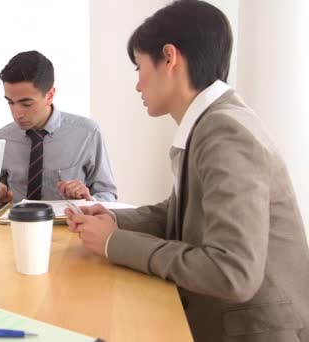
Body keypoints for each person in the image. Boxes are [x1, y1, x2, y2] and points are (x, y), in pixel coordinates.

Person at [65, 1, 309, 341]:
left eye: (139, 68)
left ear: (169, 57)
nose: (137, 85)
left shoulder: (225, 131)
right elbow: (178, 212)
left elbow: (232, 272)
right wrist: (114, 220)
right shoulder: (212, 122)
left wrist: (114, 243)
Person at [0, 50, 117, 204]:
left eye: (26, 103)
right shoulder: (0, 140)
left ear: (50, 95)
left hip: (69, 227)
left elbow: (108, 194)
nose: (17, 113)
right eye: (10, 102)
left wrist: (89, 200)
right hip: (16, 227)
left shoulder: (87, 133)